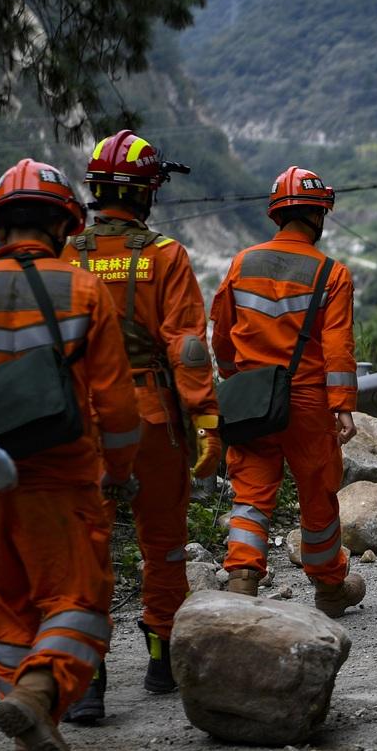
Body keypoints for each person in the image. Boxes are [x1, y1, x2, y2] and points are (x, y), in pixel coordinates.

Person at [0, 159, 140, 751]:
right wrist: (118, 470)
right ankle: (40, 696)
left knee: (9, 618)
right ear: (65, 225)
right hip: (62, 479)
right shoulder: (82, 288)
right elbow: (118, 408)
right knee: (78, 606)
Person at [59, 130, 221, 721]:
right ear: (148, 193)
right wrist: (205, 417)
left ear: (97, 191)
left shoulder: (67, 254)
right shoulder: (164, 256)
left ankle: (87, 682)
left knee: (86, 547)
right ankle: (160, 661)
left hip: (82, 422)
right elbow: (186, 347)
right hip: (151, 416)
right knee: (163, 544)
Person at [211, 166, 365, 618]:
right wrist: (344, 407)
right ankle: (329, 590)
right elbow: (338, 346)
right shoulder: (332, 273)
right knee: (318, 495)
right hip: (307, 403)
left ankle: (242, 579)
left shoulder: (242, 263)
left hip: (253, 399)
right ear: (318, 215)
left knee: (251, 494)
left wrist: (233, 377)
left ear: (277, 214)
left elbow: (221, 332)